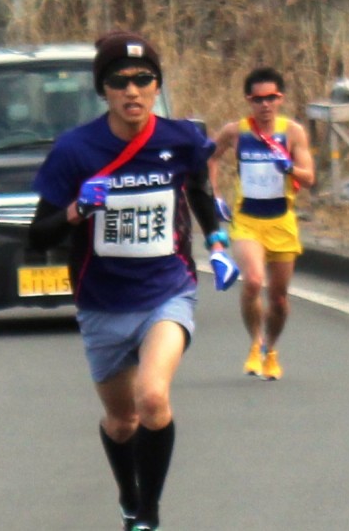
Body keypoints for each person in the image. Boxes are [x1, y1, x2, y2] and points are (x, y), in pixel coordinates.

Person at [28, 31, 238, 531]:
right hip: (102, 303)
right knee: (122, 422)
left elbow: (201, 193)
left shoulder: (180, 140)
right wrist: (79, 209)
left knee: (152, 398)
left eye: (144, 80)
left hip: (166, 291)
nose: (133, 91)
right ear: (103, 90)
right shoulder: (75, 151)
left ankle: (148, 513)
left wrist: (219, 245)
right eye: (120, 82)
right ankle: (128, 496)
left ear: (157, 86)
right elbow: (38, 235)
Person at [208, 66, 315, 381]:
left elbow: (309, 179)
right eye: (258, 99)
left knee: (279, 298)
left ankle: (271, 348)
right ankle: (254, 344)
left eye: (271, 98)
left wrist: (290, 168)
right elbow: (210, 157)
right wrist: (214, 195)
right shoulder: (236, 132)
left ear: (280, 98)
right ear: (248, 100)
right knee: (253, 281)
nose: (265, 105)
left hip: (281, 222)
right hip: (247, 222)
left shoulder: (292, 132)